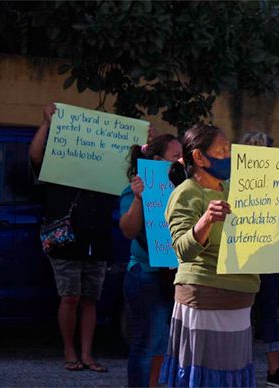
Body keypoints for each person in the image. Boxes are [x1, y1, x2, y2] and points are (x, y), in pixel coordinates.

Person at [160, 124, 259, 387]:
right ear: (199, 157)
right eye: (222, 151)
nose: (228, 157)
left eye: (230, 151)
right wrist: (205, 221)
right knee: (204, 377)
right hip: (205, 298)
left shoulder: (234, 191)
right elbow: (182, 249)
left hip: (239, 298)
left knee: (230, 374)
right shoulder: (185, 193)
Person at [29, 103, 114, 373]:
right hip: (66, 242)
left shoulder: (105, 171)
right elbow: (35, 157)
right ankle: (69, 351)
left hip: (96, 242)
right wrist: (45, 123)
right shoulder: (59, 167)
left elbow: (134, 167)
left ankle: (87, 354)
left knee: (90, 299)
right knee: (70, 297)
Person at [240, 131, 279, 387]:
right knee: (259, 314)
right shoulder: (236, 183)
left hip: (260, 258)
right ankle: (271, 370)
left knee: (254, 314)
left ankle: (265, 371)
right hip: (253, 258)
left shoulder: (278, 182)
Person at [120, 134, 183, 387]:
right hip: (145, 275)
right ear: (158, 160)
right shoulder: (135, 188)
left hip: (170, 275)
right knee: (146, 344)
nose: (181, 161)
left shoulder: (182, 188)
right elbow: (127, 229)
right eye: (175, 156)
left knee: (161, 343)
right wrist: (138, 199)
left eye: (183, 156)